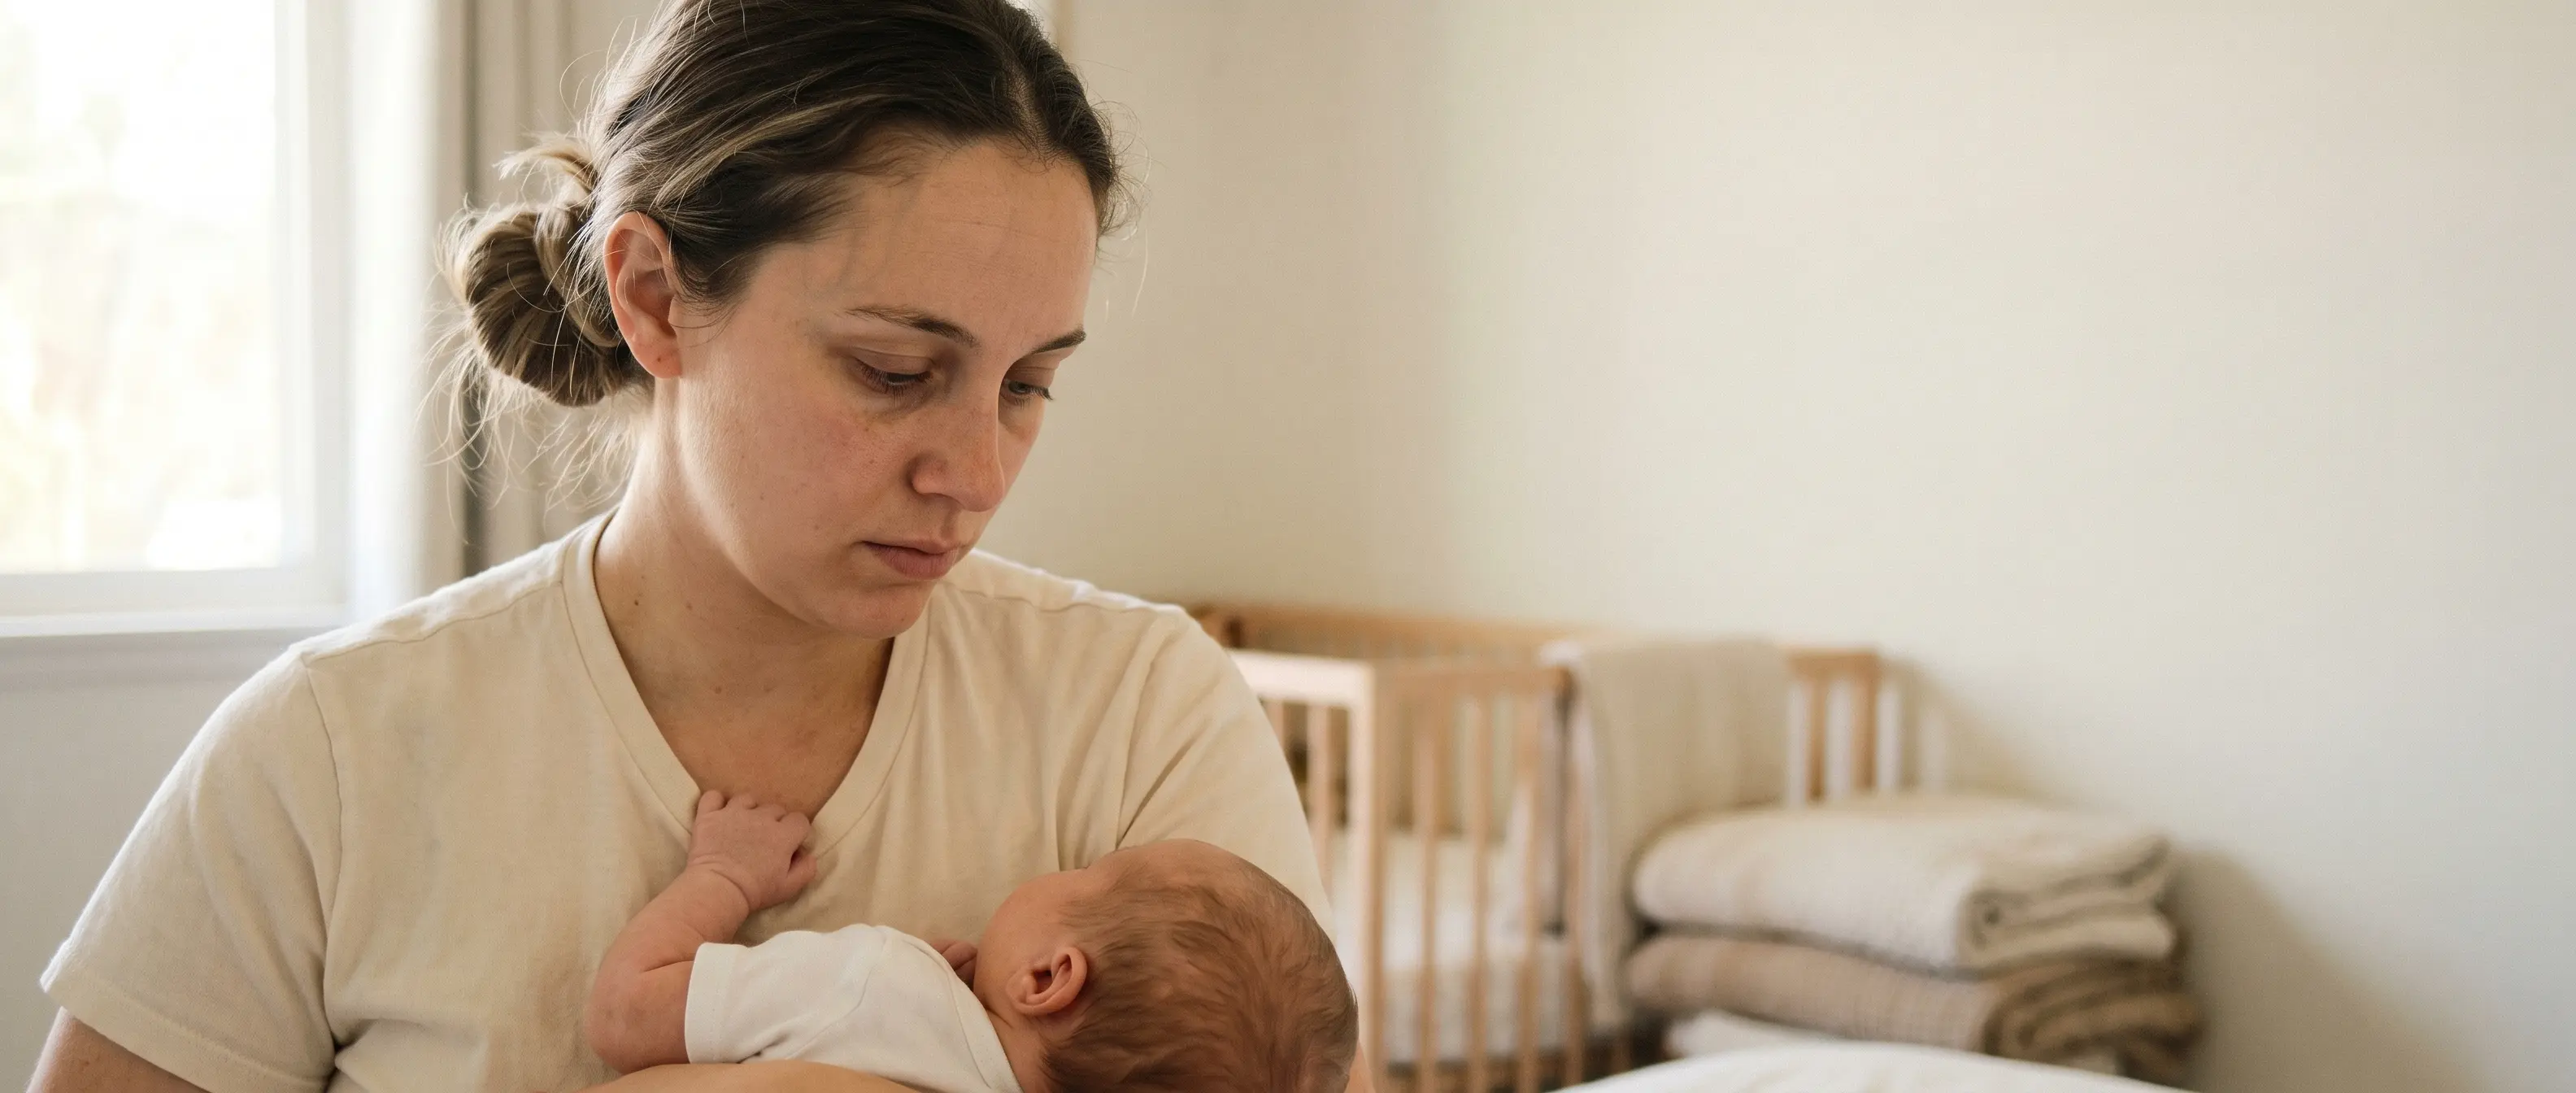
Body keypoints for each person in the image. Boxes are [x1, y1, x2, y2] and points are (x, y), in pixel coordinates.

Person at [28, 1, 1367, 1090]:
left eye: (1027, 385)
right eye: (896, 368)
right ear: (657, 297)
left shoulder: (1143, 711)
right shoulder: (327, 750)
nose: (973, 473)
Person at [587, 794, 1359, 1092]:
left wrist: (724, 877)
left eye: (1089, 871)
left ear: (1051, 976)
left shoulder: (874, 983)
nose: (1065, 866)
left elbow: (624, 1014)